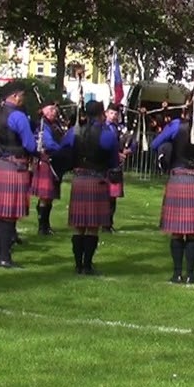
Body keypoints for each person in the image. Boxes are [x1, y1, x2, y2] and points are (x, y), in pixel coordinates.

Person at [151, 95, 194, 284]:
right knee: (193, 231)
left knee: (177, 231)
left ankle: (177, 273)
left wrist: (169, 147)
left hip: (178, 178)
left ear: (184, 107)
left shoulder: (175, 126)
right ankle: (191, 274)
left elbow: (155, 144)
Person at [63, 101, 120, 275]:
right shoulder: (107, 134)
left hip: (79, 180)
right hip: (97, 180)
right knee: (93, 226)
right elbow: (113, 161)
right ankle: (87, 265)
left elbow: (63, 150)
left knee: (79, 225)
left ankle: (77, 264)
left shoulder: (74, 132)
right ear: (101, 114)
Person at [0, 84, 38, 268]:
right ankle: (4, 258)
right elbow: (30, 144)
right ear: (15, 96)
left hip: (2, 163)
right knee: (9, 215)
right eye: (22, 95)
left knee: (0, 214)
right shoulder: (18, 116)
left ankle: (0, 256)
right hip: (15, 165)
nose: (23, 99)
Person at [31, 102, 67, 236]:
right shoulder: (42, 125)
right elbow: (49, 143)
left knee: (49, 197)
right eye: (50, 109)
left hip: (54, 161)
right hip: (46, 161)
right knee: (45, 196)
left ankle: (46, 225)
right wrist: (64, 150)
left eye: (55, 109)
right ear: (43, 110)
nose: (54, 112)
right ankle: (42, 227)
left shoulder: (54, 124)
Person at [102, 104, 135, 232]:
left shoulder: (120, 129)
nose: (114, 116)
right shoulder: (102, 128)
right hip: (104, 165)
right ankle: (102, 223)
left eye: (115, 114)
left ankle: (108, 224)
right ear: (106, 113)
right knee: (104, 197)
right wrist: (116, 154)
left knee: (112, 197)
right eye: (111, 113)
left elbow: (133, 142)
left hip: (116, 166)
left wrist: (129, 150)